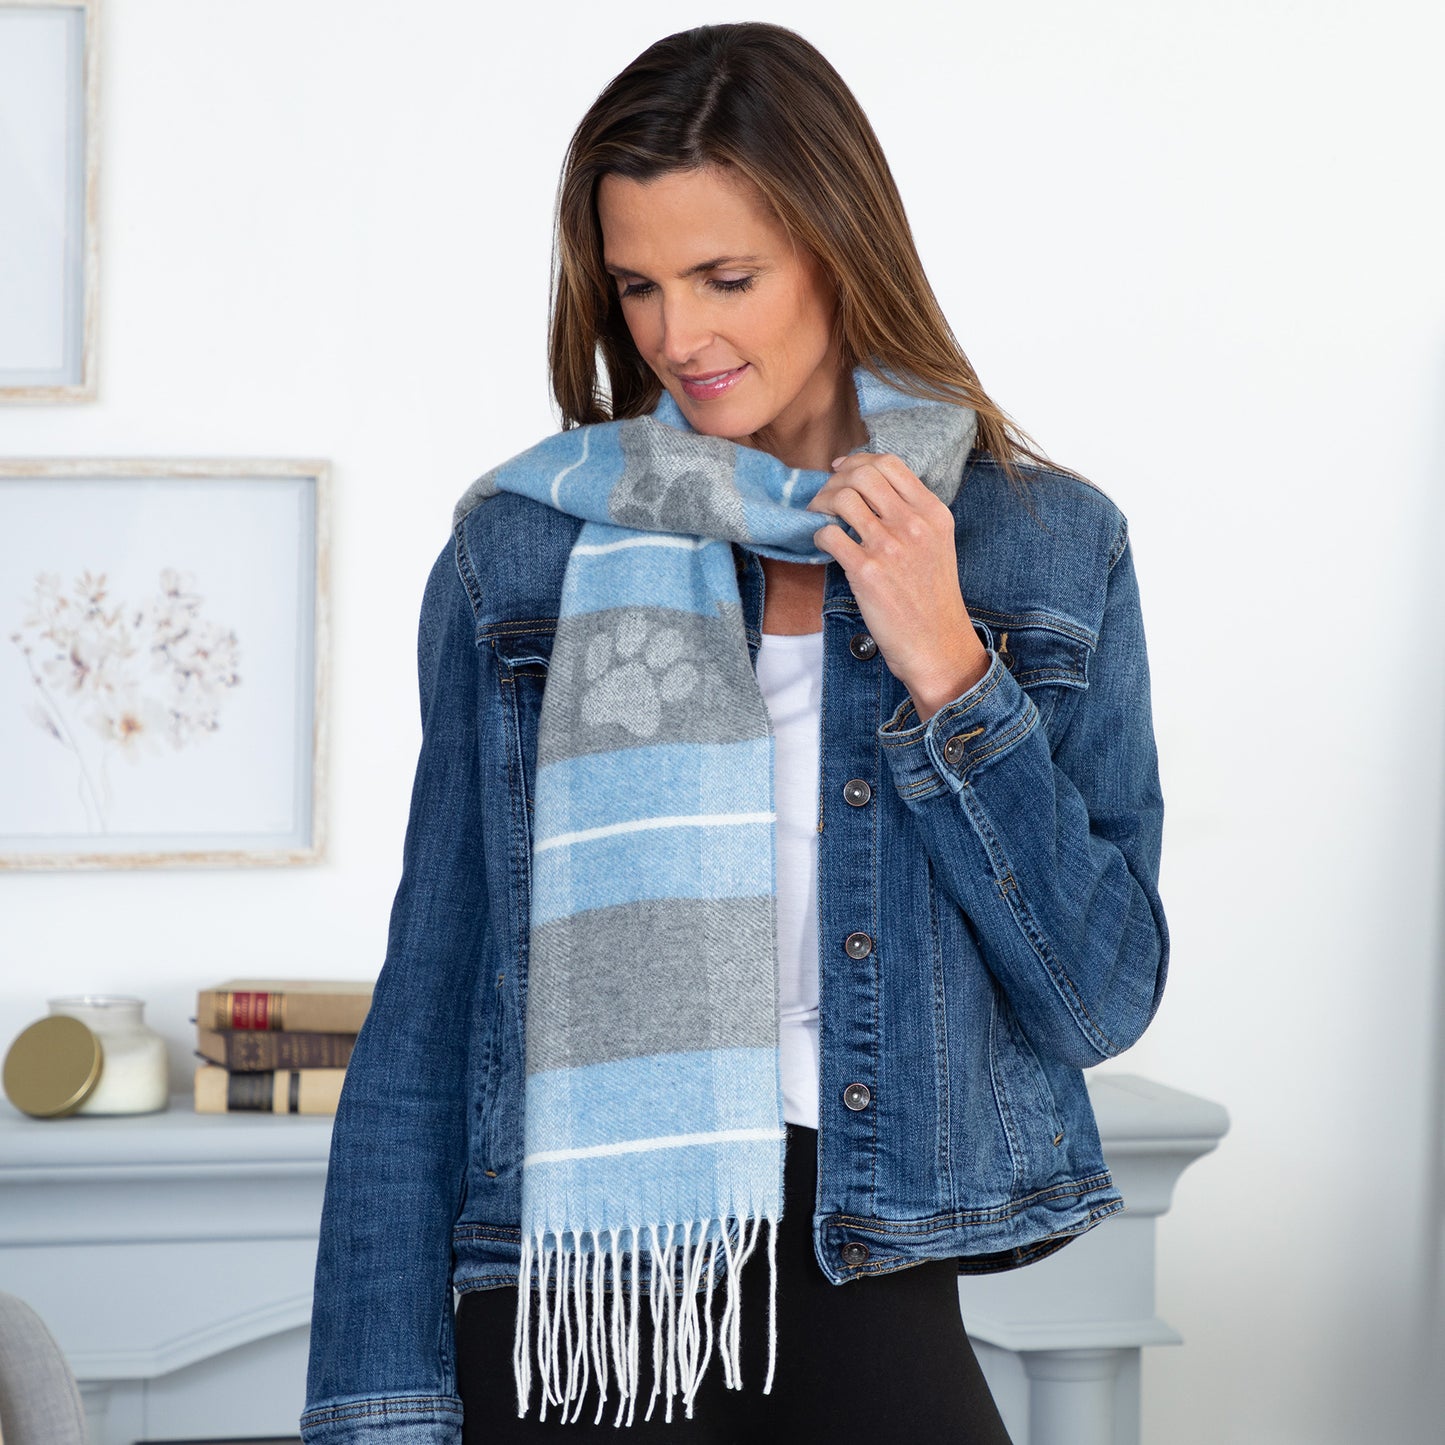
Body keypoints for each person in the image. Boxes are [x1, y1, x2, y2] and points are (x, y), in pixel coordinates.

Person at [300, 21, 1168, 1445]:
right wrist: (376, 1410)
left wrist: (950, 671)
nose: (676, 338)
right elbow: (428, 1007)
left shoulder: (1043, 548)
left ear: (840, 251)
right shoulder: (522, 553)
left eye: (726, 278)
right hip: (566, 1316)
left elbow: (1100, 998)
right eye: (637, 285)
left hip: (868, 1276)